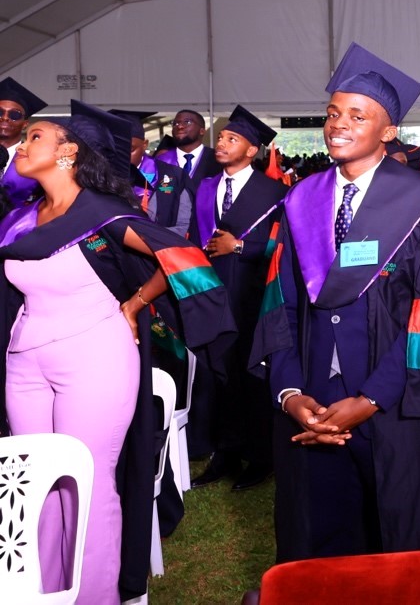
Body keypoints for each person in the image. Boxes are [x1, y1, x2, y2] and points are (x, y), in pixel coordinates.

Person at [252, 43, 420, 561]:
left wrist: (368, 401)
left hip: (399, 405)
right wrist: (292, 394)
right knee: (322, 541)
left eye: (357, 116)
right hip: (315, 404)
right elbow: (281, 305)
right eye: (333, 114)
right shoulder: (301, 200)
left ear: (389, 132)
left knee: (405, 540)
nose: (338, 125)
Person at [0, 101, 232, 602]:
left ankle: (94, 595)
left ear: (68, 152)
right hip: (24, 363)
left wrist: (136, 302)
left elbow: (183, 256)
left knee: (85, 482)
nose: (21, 144)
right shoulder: (20, 220)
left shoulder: (102, 212)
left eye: (34, 136)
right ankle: (43, 592)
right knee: (38, 483)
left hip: (94, 359)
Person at [189, 106, 288, 492]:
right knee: (219, 372)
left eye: (233, 139)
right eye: (223, 137)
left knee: (251, 372)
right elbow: (199, 237)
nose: (222, 143)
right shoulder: (206, 187)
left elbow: (283, 245)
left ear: (252, 151)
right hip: (212, 290)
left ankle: (260, 456)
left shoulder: (274, 192)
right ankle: (225, 452)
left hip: (253, 291)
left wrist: (241, 246)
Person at [113, 109, 193, 236]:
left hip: (162, 250)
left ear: (145, 144)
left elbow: (184, 226)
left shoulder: (174, 175)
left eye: (130, 149)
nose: (123, 156)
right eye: (118, 149)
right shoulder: (101, 176)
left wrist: (143, 239)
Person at [0, 77, 47, 211]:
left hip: (22, 230)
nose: (5, 118)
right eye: (0, 112)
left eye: (14, 115)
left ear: (25, 124)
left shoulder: (38, 160)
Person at [157, 109, 220, 181]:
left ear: (202, 131)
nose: (180, 126)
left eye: (187, 122)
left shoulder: (217, 159)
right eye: (175, 123)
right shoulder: (162, 160)